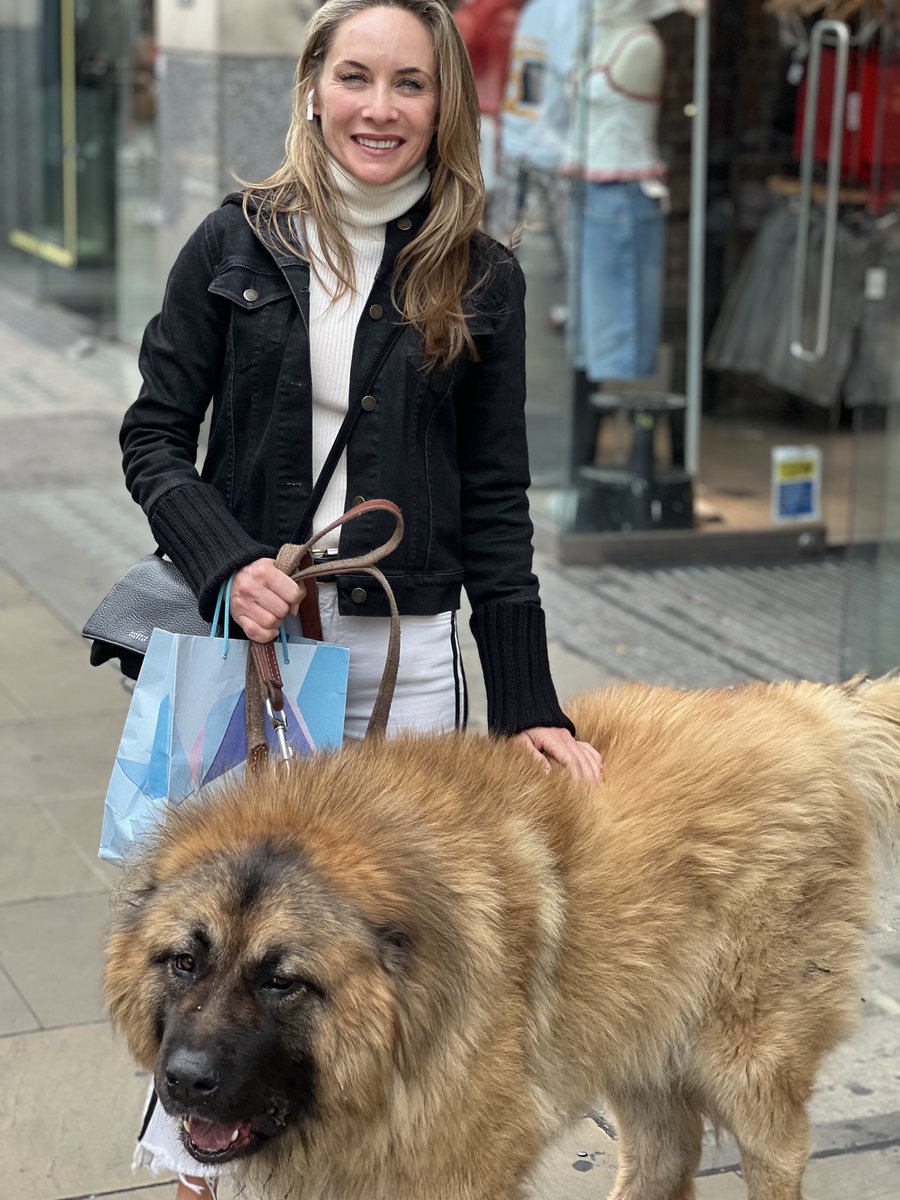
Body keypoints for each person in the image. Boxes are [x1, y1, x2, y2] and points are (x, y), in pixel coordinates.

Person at [119, 0, 603, 1193]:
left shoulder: (478, 271)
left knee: (385, 959)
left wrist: (530, 698)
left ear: (447, 106)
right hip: (253, 653)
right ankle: (202, 1166)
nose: (379, 108)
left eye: (409, 84)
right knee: (217, 947)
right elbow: (154, 438)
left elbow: (497, 501)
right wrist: (228, 559)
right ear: (313, 86)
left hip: (410, 660)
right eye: (355, 78)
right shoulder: (233, 244)